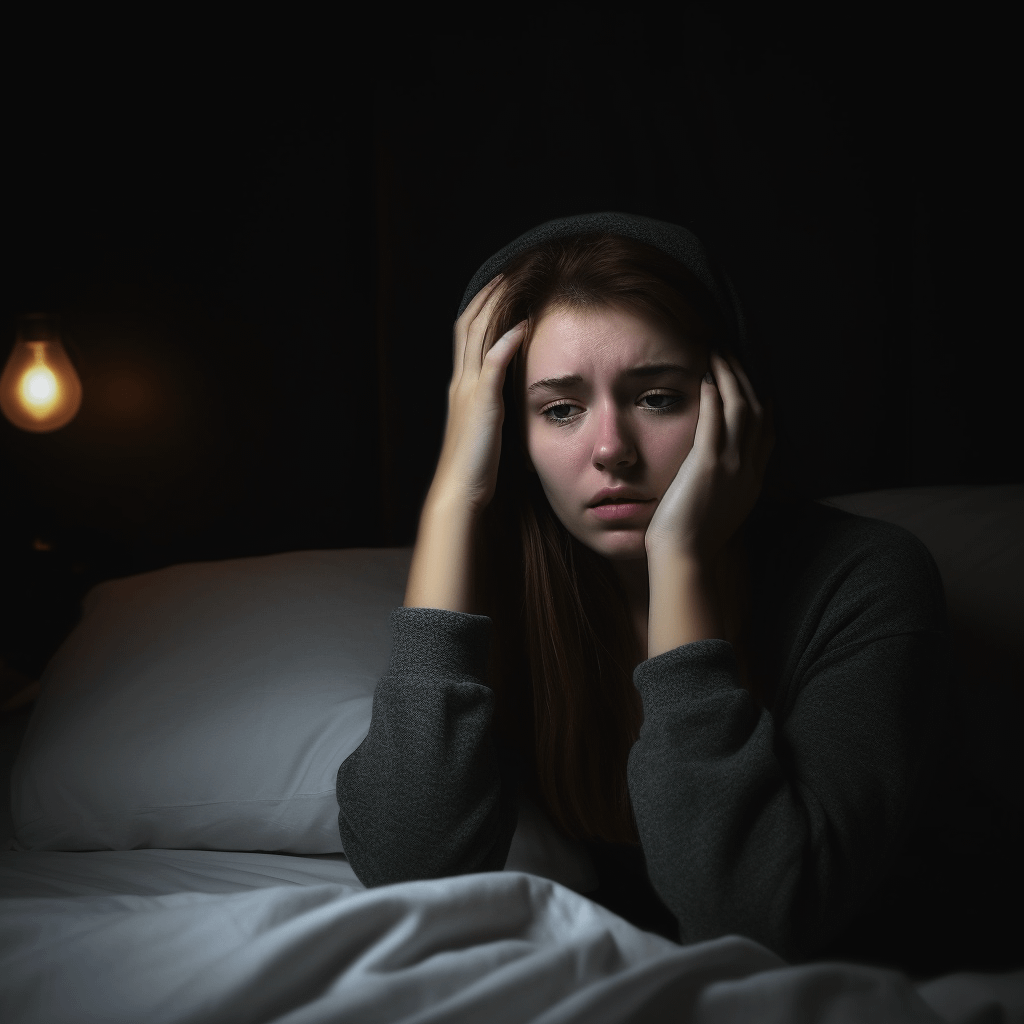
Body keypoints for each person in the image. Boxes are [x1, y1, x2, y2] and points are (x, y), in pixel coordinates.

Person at [336, 212, 954, 966]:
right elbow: (411, 873)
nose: (610, 451)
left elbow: (754, 919)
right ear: (505, 432)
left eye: (657, 397)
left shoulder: (866, 577)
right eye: (559, 409)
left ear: (737, 407)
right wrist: (451, 500)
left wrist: (680, 558)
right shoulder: (494, 592)